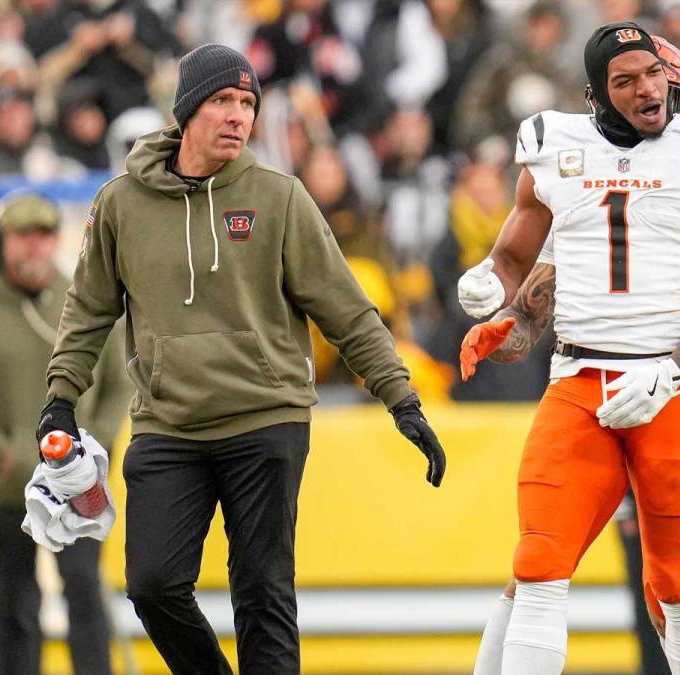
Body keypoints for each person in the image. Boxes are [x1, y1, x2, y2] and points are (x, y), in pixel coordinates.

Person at [36, 44, 447, 674]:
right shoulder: (119, 203)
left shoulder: (280, 196)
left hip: (266, 417)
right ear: (186, 111)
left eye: (249, 103)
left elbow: (346, 309)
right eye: (222, 100)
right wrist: (61, 399)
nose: (238, 116)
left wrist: (402, 397)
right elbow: (87, 310)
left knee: (262, 592)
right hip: (168, 424)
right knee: (152, 585)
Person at [462, 35, 680, 674]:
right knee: (535, 564)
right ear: (599, 96)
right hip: (582, 376)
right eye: (631, 81)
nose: (659, 98)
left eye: (666, 84)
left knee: (675, 583)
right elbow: (535, 297)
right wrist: (503, 323)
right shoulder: (568, 160)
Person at [0, 193, 128, 675]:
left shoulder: (86, 303)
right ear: (1, 242)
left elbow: (119, 385)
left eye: (44, 234)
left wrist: (95, 444)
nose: (34, 246)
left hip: (78, 482)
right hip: (4, 487)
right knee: (14, 608)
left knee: (85, 596)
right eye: (22, 236)